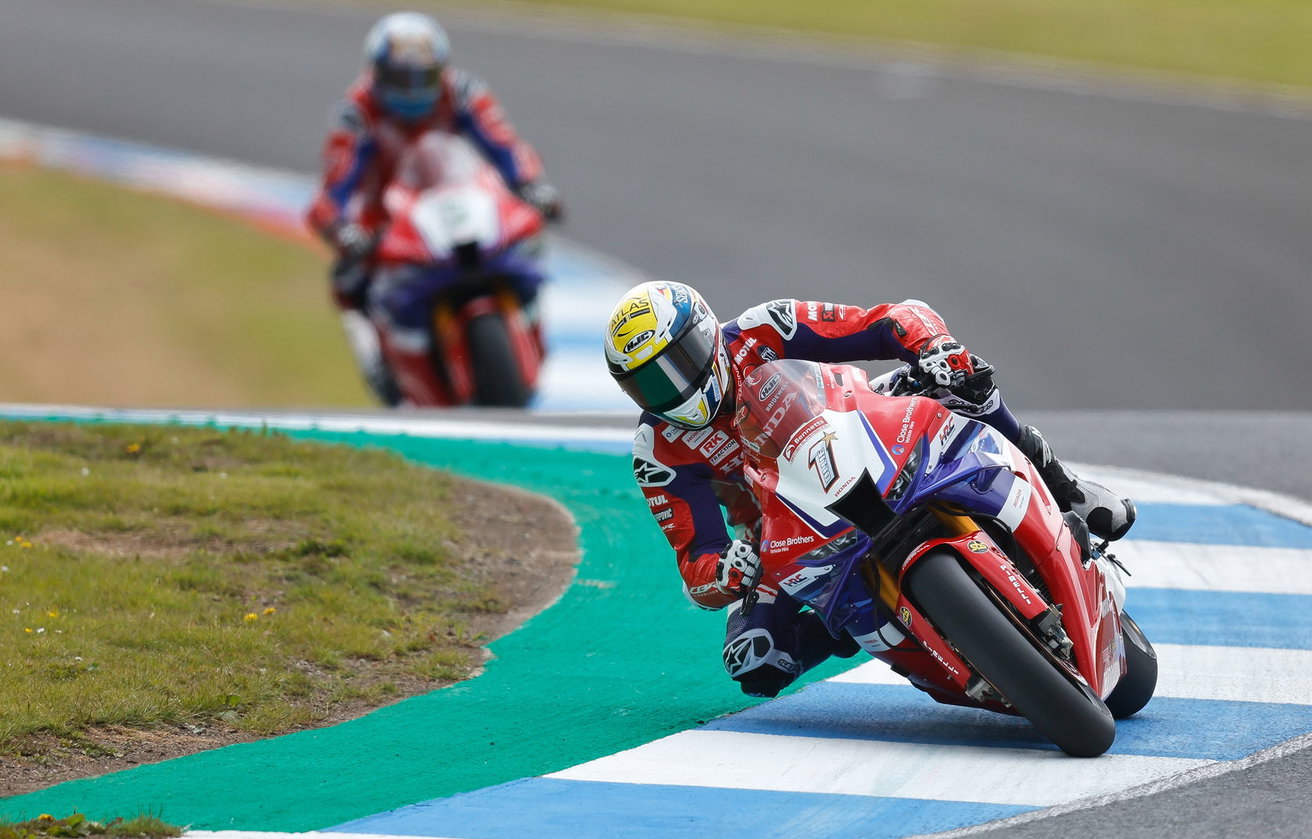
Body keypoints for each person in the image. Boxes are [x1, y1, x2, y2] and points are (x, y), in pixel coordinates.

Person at [605, 280, 1136, 698]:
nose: (675, 388)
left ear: (706, 334)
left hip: (858, 427)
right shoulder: (658, 451)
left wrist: (934, 348)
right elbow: (695, 562)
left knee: (965, 382)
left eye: (680, 363)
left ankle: (1062, 488)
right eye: (651, 382)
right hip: (784, 529)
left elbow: (887, 320)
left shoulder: (764, 328)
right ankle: (864, 628)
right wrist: (727, 569)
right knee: (756, 659)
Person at [306, 11, 564, 403]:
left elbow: (505, 146)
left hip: (459, 197)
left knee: (526, 242)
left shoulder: (462, 93)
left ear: (440, 71)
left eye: (422, 78)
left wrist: (532, 185)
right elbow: (335, 185)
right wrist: (341, 227)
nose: (411, 92)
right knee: (349, 281)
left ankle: (531, 330)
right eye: (398, 80)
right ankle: (379, 361)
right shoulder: (357, 113)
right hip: (387, 218)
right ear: (377, 74)